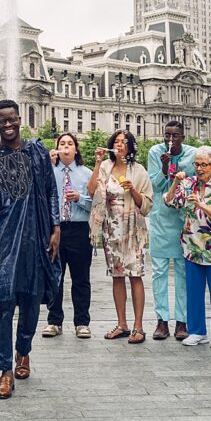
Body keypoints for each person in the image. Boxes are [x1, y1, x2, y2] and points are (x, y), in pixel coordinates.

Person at [0, 99, 61, 400]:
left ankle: (24, 350)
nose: (8, 124)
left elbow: (50, 191)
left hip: (34, 238)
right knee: (2, 305)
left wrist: (56, 228)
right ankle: (4, 370)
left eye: (12, 119)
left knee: (32, 302)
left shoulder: (36, 153)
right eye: (2, 120)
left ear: (19, 119)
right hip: (1, 241)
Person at [88, 129, 153, 345]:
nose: (120, 144)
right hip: (111, 229)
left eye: (125, 142)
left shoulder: (138, 170)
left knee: (135, 274)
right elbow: (92, 192)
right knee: (117, 276)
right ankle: (122, 323)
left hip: (133, 229)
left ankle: (139, 326)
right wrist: (97, 163)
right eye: (116, 141)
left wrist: (133, 190)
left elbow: (147, 205)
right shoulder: (106, 167)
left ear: (130, 147)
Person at [164, 146, 211, 348]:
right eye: (197, 164)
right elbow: (170, 202)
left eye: (204, 164)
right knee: (193, 290)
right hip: (191, 245)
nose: (199, 168)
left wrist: (201, 205)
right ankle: (197, 331)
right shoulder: (189, 183)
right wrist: (175, 182)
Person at [146, 120, 195, 341]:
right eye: (167, 135)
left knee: (184, 272)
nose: (170, 140)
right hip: (160, 219)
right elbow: (155, 185)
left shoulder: (192, 155)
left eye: (175, 136)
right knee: (159, 272)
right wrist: (165, 168)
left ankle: (182, 321)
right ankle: (161, 321)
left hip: (183, 220)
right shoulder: (155, 152)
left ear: (183, 137)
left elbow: (194, 182)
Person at [42, 132, 94, 339]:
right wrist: (45, 162)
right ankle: (54, 321)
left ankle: (82, 322)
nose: (65, 147)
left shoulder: (87, 173)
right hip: (54, 229)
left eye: (70, 143)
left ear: (76, 149)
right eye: (62, 143)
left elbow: (96, 205)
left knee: (81, 278)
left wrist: (80, 198)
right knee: (55, 277)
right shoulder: (48, 172)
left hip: (79, 229)